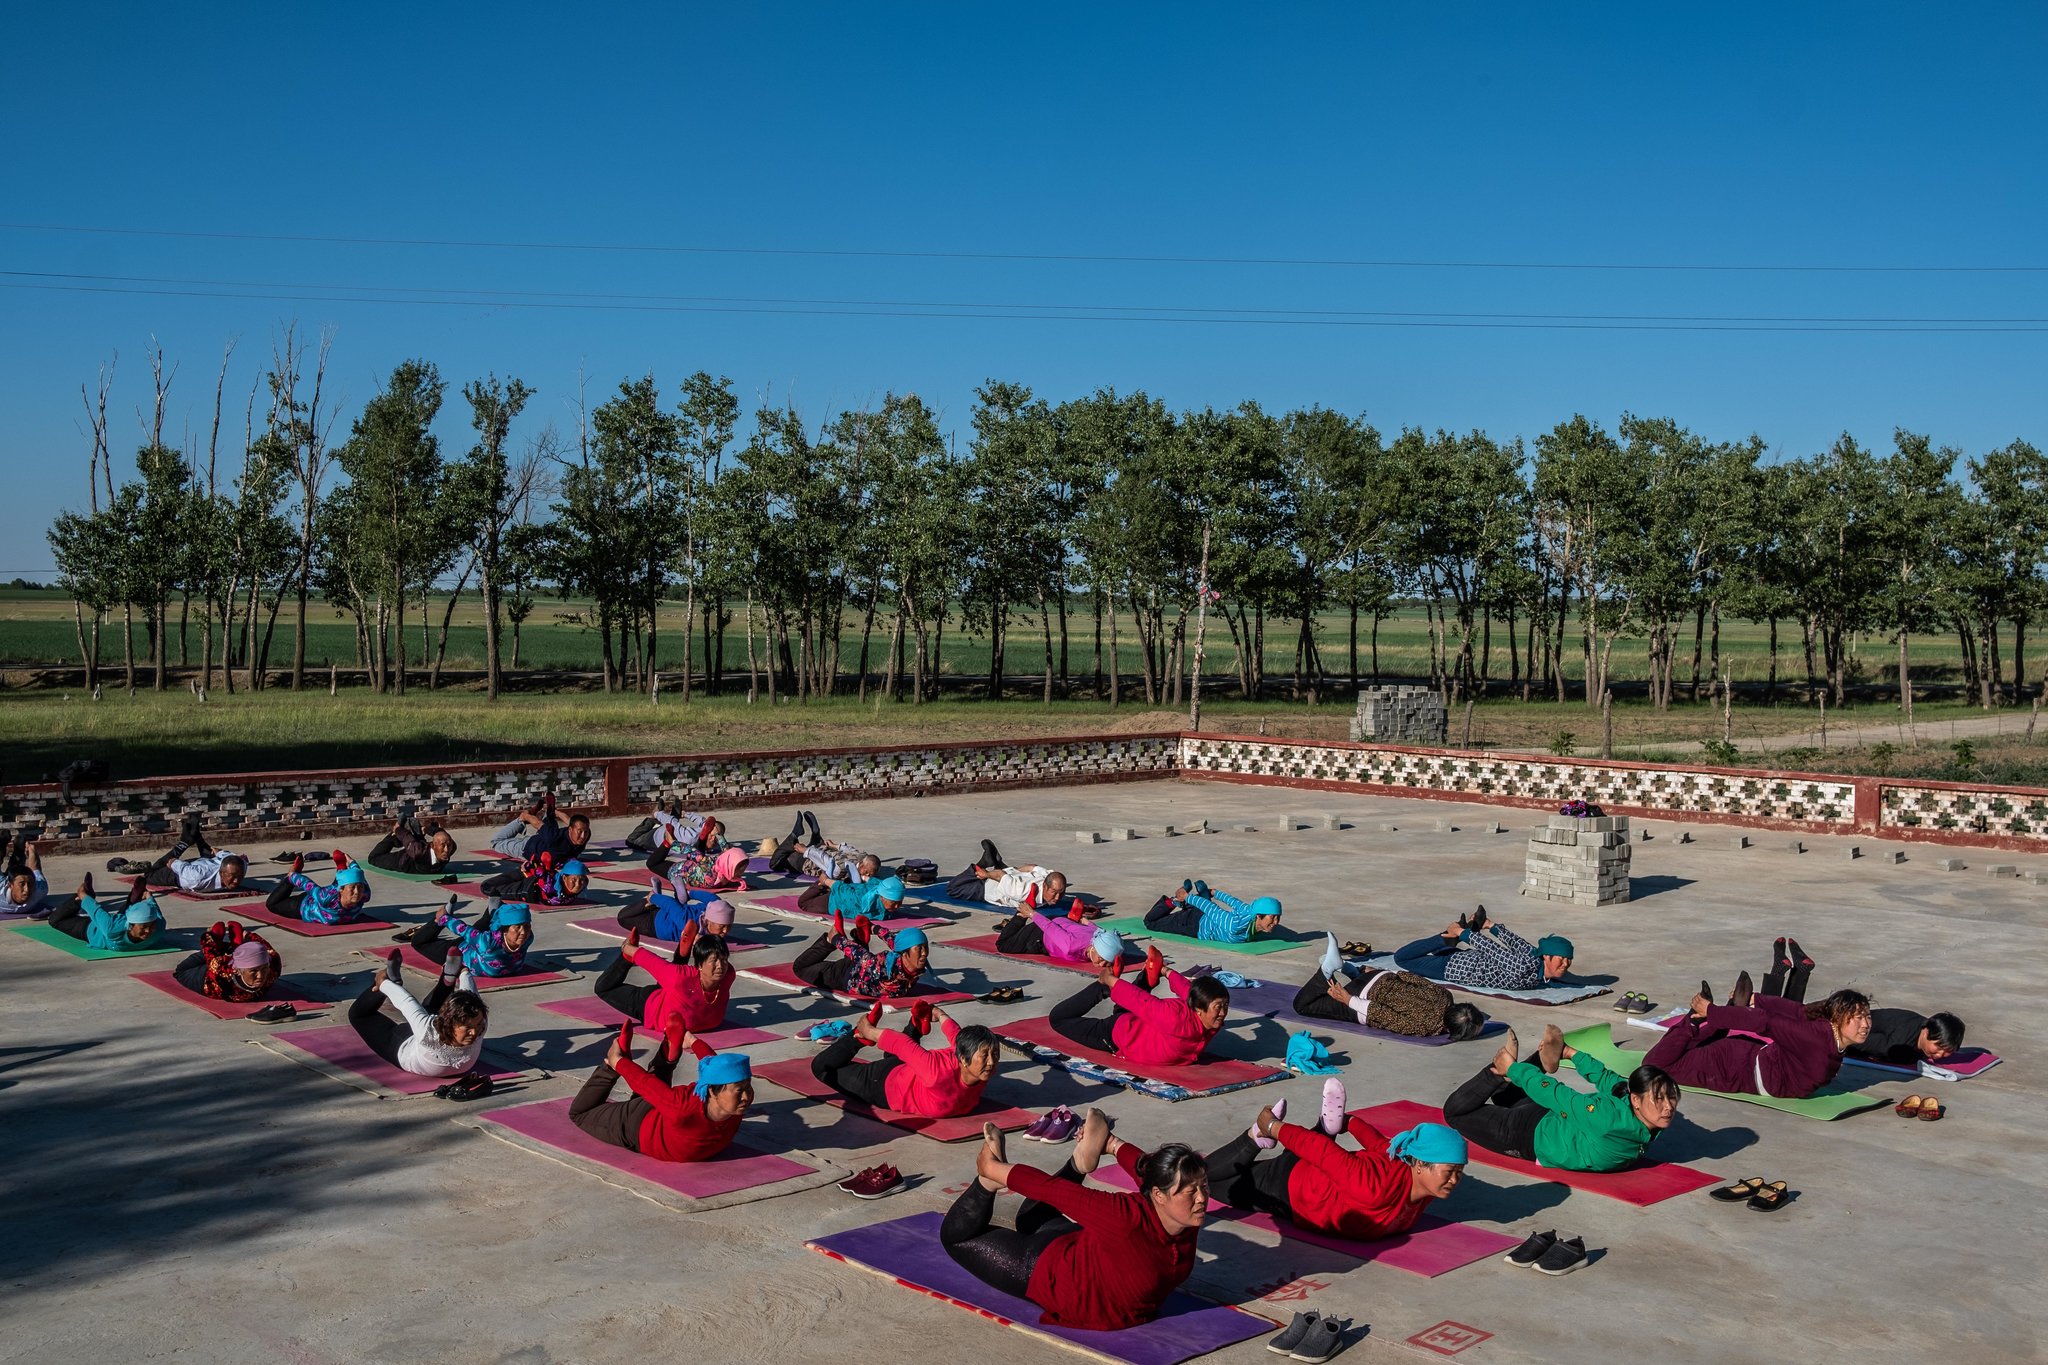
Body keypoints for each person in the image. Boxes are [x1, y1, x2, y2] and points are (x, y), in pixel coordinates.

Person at [941, 1112, 1206, 1331]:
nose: (1201, 1198)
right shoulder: (1124, 1217)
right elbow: (1052, 1190)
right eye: (1191, 1191)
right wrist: (992, 1169)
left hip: (1080, 1250)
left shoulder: (1182, 1215)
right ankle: (987, 1182)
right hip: (1048, 1270)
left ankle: (1079, 1162)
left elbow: (1148, 1172)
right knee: (955, 1238)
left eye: (1203, 1187)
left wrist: (1112, 1144)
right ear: (1159, 1196)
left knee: (1030, 1218)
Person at [1204, 1094, 1468, 1242]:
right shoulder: (1372, 1186)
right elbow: (1323, 1153)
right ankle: (1255, 1136)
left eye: (1459, 1171)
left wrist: (1350, 1122)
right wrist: (1273, 1126)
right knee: (1209, 1183)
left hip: (1312, 1187)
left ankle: (1326, 1126)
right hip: (1290, 1185)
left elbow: (1381, 1146)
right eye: (1450, 1171)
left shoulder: (1417, 1179)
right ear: (1420, 1165)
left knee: (1219, 1182)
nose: (1455, 1180)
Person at [1443, 1024, 1679, 1170]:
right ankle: (1499, 1071)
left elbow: (1610, 1081)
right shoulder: (1607, 1117)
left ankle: (1517, 1069)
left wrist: (1569, 1053)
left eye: (1671, 1097)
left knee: (1506, 1097)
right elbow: (1560, 1096)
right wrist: (1516, 1070)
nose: (1668, 1107)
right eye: (1658, 1099)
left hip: (1548, 1124)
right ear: (1635, 1100)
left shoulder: (1640, 1109)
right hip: (1526, 1135)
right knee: (1453, 1112)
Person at [1752, 935, 1967, 1068]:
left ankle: (1793, 971)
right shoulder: (1900, 1047)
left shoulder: (1918, 1023)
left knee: (1793, 1010)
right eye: (1938, 1048)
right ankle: (1786, 973)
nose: (1940, 1055)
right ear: (1927, 1032)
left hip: (1842, 1012)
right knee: (1775, 1021)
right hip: (1833, 1024)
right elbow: (1858, 1041)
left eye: (1948, 1052)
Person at [1643, 974, 1872, 1098]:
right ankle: (1698, 1017)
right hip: (1734, 1068)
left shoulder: (1827, 1031)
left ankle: (1705, 1019)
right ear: (1839, 1018)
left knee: (1693, 1048)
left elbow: (1800, 1012)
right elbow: (1765, 1022)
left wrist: (1756, 999)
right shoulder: (1816, 1038)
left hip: (1746, 1059)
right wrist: (1713, 1011)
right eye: (1858, 1018)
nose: (1866, 1025)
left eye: (1867, 1017)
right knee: (1653, 1065)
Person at [568, 1017, 753, 1163]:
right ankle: (609, 1068)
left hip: (665, 1113)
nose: (746, 1096)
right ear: (712, 1091)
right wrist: (617, 1062)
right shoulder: (682, 1108)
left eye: (748, 1087)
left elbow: (714, 1064)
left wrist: (693, 1041)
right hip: (638, 1123)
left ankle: (667, 1057)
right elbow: (644, 1083)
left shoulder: (732, 1103)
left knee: (659, 1096)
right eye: (739, 1090)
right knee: (580, 1114)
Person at [812, 1000, 1000, 1118]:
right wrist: (869, 1031)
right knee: (821, 1068)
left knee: (904, 1056)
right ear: (964, 1059)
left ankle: (916, 1027)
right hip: (883, 1082)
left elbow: (956, 1035)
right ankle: (858, 1037)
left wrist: (940, 1015)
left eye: (995, 1055)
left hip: (909, 1068)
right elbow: (901, 1044)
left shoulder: (973, 1062)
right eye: (984, 1056)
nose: (991, 1062)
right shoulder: (936, 1071)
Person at [1048, 947, 1227, 1065]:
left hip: (1139, 1024)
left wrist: (1166, 971)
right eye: (1218, 1006)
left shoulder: (1207, 1016)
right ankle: (1101, 988)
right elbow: (1142, 1002)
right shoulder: (1174, 1018)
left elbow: (1188, 989)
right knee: (1058, 1019)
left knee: (1125, 1008)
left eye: (1225, 1006)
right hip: (1118, 1034)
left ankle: (1147, 978)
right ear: (1198, 1008)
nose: (1223, 1012)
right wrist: (1109, 981)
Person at [1290, 940, 1492, 1040]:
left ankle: (1353, 971)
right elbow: (1381, 1013)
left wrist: (1378, 971)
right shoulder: (1426, 1027)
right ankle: (1327, 969)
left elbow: (1410, 977)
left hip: (1380, 977)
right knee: (1302, 1005)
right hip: (1364, 997)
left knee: (1374, 984)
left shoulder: (1445, 995)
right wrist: (1347, 999)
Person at [348, 949, 489, 1079]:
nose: (475, 1032)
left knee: (358, 1016)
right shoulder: (477, 1021)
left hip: (403, 1048)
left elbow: (407, 1003)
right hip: (422, 1038)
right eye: (467, 1027)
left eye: (476, 1025)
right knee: (430, 1010)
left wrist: (383, 983)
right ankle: (448, 977)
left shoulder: (428, 1029)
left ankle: (393, 982)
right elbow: (470, 994)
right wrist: (464, 972)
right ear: (449, 1022)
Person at [1394, 908, 1574, 993]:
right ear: (1547, 957)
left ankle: (1448, 940)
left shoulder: (1535, 960)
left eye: (1568, 960)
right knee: (1401, 958)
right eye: (1562, 959)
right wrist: (1462, 933)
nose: (1566, 964)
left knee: (1419, 956)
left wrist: (1490, 925)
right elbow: (1493, 950)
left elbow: (1517, 943)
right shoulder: (1524, 966)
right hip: (1454, 968)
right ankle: (1445, 938)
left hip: (1466, 960)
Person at [591, 929, 734, 1032]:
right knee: (603, 988)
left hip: (672, 993)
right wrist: (628, 949)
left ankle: (682, 955)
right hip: (650, 1003)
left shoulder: (728, 975)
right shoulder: (682, 977)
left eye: (724, 960)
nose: (720, 966)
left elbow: (719, 960)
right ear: (699, 966)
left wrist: (702, 943)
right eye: (714, 961)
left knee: (673, 981)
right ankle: (626, 959)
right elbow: (653, 963)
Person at [790, 915, 932, 1000]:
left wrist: (873, 928)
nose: (924, 953)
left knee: (860, 959)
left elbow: (894, 940)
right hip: (844, 976)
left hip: (860, 970)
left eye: (925, 947)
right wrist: (836, 939)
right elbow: (861, 956)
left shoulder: (905, 955)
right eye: (919, 949)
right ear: (905, 953)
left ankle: (861, 938)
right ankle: (829, 939)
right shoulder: (884, 968)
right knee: (800, 968)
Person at [108, 813, 250, 895]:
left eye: (239, 877)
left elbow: (227, 855)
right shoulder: (196, 878)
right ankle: (185, 842)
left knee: (210, 853)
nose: (237, 881)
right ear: (222, 872)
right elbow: (172, 863)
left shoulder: (241, 865)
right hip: (182, 872)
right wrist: (175, 861)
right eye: (232, 877)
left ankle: (195, 836)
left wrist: (218, 853)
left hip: (205, 863)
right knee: (150, 874)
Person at [400, 896, 535, 977]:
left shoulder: (528, 938)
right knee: (418, 942)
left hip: (478, 943)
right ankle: (437, 921)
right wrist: (444, 918)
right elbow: (463, 929)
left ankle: (491, 912)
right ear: (504, 930)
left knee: (479, 930)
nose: (523, 932)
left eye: (526, 927)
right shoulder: (487, 943)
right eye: (517, 927)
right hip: (460, 951)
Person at [44, 876, 166, 952]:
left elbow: (154, 911)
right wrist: (84, 896)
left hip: (113, 925)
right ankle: (77, 901)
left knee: (127, 917)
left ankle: (132, 902)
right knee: (54, 920)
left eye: (151, 926)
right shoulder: (111, 929)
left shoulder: (159, 927)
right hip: (95, 928)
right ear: (130, 925)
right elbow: (96, 911)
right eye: (144, 927)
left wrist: (149, 898)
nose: (148, 931)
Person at [944, 839, 1068, 911]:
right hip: (990, 887)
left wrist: (1014, 871)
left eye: (1061, 892)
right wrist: (986, 874)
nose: (1057, 897)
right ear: (1045, 886)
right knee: (953, 888)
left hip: (1010, 875)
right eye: (1054, 892)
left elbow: (1031, 866)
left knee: (1008, 874)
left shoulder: (1049, 875)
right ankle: (983, 862)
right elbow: (999, 875)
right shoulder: (1021, 891)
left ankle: (1000, 864)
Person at [173, 921, 283, 1002]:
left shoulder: (223, 974)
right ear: (238, 971)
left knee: (180, 971)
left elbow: (211, 957)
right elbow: (268, 950)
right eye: (254, 971)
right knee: (215, 957)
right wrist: (249, 936)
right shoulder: (274, 967)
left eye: (264, 969)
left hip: (209, 977)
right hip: (220, 970)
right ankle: (236, 948)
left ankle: (227, 947)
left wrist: (209, 937)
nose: (260, 976)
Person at [1141, 881, 1283, 943]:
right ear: (1259, 916)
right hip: (1194, 924)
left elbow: (1235, 902)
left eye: (1278, 918)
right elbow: (1213, 910)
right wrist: (1187, 897)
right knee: (1150, 922)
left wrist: (1215, 892)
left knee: (1197, 906)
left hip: (1201, 915)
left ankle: (1198, 898)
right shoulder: (1235, 925)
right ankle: (1174, 901)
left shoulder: (1250, 911)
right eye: (1272, 918)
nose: (1276, 922)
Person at [994, 910, 1125, 969]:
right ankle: (1019, 915)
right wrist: (1030, 913)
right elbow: (1050, 928)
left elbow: (1096, 929)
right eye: (1101, 959)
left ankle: (1071, 915)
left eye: (1107, 963)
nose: (1101, 965)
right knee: (1004, 945)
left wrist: (1084, 921)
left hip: (1066, 921)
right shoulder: (1071, 945)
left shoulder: (1100, 937)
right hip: (1043, 931)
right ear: (1095, 947)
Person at [268, 853, 373, 925]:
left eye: (360, 887)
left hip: (336, 892)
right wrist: (293, 875)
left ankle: (341, 868)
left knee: (347, 882)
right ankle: (289, 879)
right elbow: (308, 885)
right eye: (353, 888)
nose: (357, 892)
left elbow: (359, 875)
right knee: (272, 905)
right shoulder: (325, 897)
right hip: (304, 906)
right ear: (340, 889)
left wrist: (352, 863)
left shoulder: (364, 894)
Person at [485, 793, 593, 863]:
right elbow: (537, 823)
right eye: (579, 832)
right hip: (527, 847)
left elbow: (569, 820)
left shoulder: (585, 834)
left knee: (549, 825)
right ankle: (521, 820)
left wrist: (557, 813)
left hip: (546, 839)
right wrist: (526, 816)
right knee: (495, 842)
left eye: (585, 832)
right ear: (570, 829)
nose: (583, 836)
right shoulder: (553, 837)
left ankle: (550, 813)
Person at [794, 869, 906, 925]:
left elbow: (875, 882)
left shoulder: (880, 888)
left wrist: (863, 877)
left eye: (899, 902)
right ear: (882, 896)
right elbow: (845, 891)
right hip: (833, 901)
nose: (897, 906)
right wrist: (826, 881)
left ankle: (827, 884)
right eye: (893, 902)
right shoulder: (863, 899)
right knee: (803, 903)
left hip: (849, 888)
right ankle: (822, 883)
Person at [479, 852, 590, 906]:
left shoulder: (574, 887)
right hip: (526, 890)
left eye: (582, 880)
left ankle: (524, 873)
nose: (578, 884)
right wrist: (531, 868)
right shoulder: (552, 884)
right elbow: (543, 874)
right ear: (564, 877)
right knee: (487, 888)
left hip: (533, 882)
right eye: (574, 880)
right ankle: (523, 873)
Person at [366, 815, 459, 877]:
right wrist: (398, 829)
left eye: (448, 846)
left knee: (414, 842)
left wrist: (427, 829)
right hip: (405, 860)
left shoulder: (451, 848)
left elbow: (443, 835)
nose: (446, 850)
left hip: (417, 852)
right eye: (442, 846)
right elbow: (407, 839)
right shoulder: (418, 851)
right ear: (433, 845)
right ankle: (394, 838)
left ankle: (414, 836)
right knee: (373, 858)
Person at [623, 803, 724, 858]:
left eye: (716, 840)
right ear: (707, 832)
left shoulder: (708, 834)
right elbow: (673, 824)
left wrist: (685, 814)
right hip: (657, 837)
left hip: (670, 833)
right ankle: (652, 819)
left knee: (672, 828)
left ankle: (670, 816)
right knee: (631, 841)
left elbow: (701, 821)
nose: (713, 840)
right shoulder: (690, 838)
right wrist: (657, 814)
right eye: (711, 836)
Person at [1, 830, 51, 915]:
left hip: (13, 876)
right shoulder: (41, 889)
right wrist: (31, 850)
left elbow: (35, 869)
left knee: (17, 866)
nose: (27, 890)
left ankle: (19, 851)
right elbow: (35, 867)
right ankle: (2, 842)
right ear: (10, 885)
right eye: (22, 884)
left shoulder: (40, 890)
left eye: (30, 884)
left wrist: (31, 851)